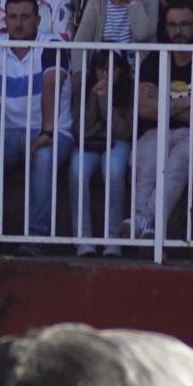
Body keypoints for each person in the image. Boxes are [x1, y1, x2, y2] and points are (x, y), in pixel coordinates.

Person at [125, 0, 193, 240]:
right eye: (173, 25)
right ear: (165, 27)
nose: (178, 30)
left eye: (185, 24)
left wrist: (162, 103)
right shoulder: (154, 59)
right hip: (156, 132)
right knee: (146, 162)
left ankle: (146, 220)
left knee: (178, 164)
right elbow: (144, 110)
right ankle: (146, 224)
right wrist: (191, 101)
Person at [0, 0, 73, 245]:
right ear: (5, 20)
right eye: (12, 17)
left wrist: (46, 132)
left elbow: (51, 87)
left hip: (51, 130)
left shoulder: (52, 44)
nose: (18, 23)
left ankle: (35, 239)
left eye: (24, 17)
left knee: (44, 159)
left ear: (37, 19)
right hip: (4, 130)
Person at [68, 34, 134, 253]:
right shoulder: (84, 87)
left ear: (122, 70)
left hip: (117, 141)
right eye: (101, 67)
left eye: (112, 68)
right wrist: (94, 100)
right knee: (77, 171)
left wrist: (106, 102)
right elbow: (80, 130)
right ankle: (82, 238)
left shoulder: (129, 90)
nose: (105, 73)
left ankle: (113, 238)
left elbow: (123, 131)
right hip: (90, 142)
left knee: (113, 170)